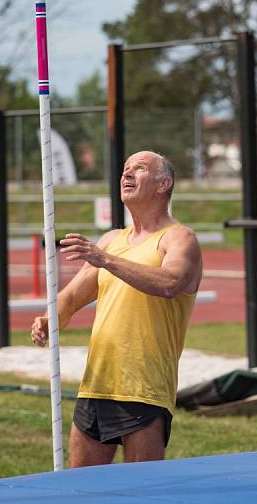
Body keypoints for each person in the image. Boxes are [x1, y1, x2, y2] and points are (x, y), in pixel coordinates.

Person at [31, 150, 202, 468]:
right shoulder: (112, 240)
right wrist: (48, 319)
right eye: (125, 169)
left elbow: (168, 283)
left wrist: (105, 260)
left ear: (164, 183)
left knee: (139, 493)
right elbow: (69, 299)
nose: (126, 174)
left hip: (144, 388)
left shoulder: (179, 239)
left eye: (138, 169)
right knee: (81, 491)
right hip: (97, 382)